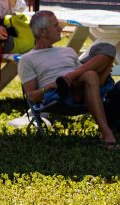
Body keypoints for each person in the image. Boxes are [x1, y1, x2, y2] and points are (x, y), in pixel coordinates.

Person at [20, 11, 118, 148]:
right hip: (60, 95)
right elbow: (31, 97)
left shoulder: (68, 51)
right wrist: (48, 87)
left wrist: (106, 67)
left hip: (84, 87)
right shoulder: (27, 59)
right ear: (42, 32)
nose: (60, 29)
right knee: (89, 74)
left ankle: (68, 77)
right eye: (55, 26)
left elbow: (91, 78)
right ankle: (106, 132)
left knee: (107, 48)